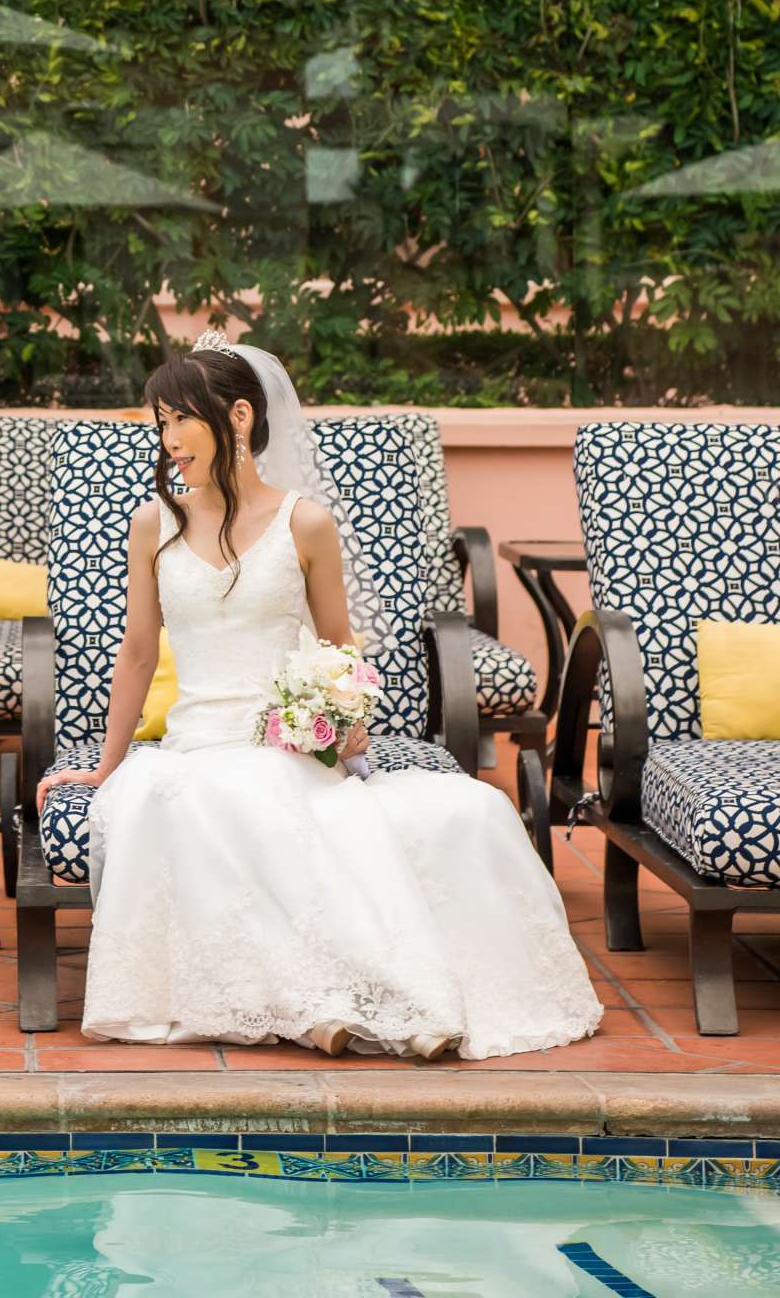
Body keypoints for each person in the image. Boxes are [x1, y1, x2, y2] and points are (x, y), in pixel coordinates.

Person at [38, 340, 601, 1059]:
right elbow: (139, 654)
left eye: (181, 418)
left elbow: (339, 646)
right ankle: (315, 1009)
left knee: (466, 810)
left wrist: (344, 720)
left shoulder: (306, 523)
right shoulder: (154, 524)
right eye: (161, 420)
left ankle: (381, 1001)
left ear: (237, 417)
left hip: (285, 743)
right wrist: (107, 768)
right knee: (188, 800)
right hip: (194, 747)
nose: (168, 439)